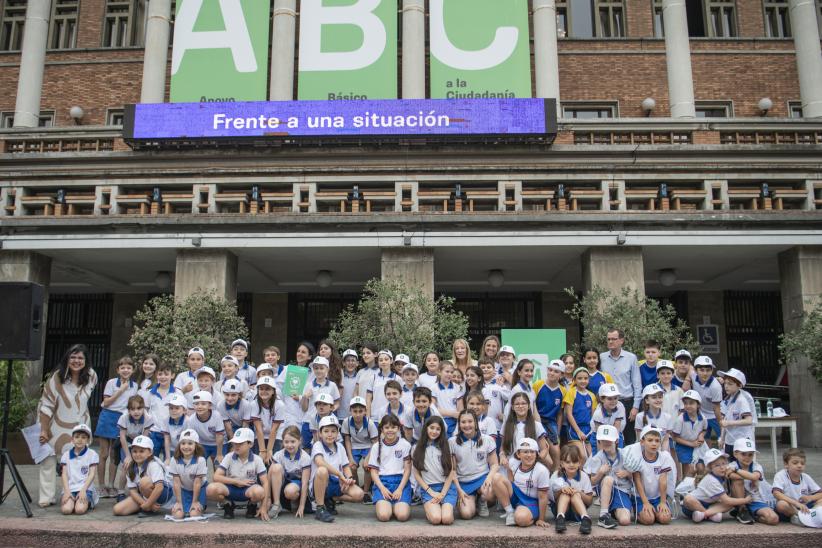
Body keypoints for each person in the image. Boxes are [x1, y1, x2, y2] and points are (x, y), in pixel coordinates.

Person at [38, 344, 98, 508]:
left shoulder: (92, 375)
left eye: (80, 358)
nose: (76, 361)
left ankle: (78, 492)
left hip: (80, 425)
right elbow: (46, 405)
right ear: (67, 359)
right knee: (49, 460)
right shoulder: (56, 377)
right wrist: (44, 429)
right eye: (73, 357)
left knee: (80, 461)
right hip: (56, 423)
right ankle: (46, 496)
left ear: (86, 361)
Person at [96, 356, 137, 498]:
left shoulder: (135, 386)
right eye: (122, 368)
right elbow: (106, 402)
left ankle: (111, 485)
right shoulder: (112, 383)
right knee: (103, 454)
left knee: (114, 455)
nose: (125, 370)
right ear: (118, 370)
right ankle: (101, 486)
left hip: (121, 419)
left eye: (128, 368)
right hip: (107, 416)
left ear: (133, 370)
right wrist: (121, 390)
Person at [206, 427, 270, 520]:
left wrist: (263, 507)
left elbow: (265, 482)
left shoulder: (257, 459)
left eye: (240, 443)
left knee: (259, 492)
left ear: (250, 444)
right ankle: (227, 504)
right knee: (210, 489)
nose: (236, 446)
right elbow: (216, 477)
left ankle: (252, 505)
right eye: (235, 443)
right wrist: (236, 481)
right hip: (230, 488)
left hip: (248, 489)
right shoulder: (229, 456)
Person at [311, 415, 365, 523]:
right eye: (326, 431)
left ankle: (331, 499)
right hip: (320, 483)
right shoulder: (317, 445)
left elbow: (345, 466)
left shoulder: (340, 447)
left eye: (333, 431)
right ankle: (320, 508)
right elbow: (320, 462)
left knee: (359, 494)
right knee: (322, 470)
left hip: (336, 482)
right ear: (320, 434)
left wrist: (349, 478)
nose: (330, 434)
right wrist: (340, 475)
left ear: (337, 433)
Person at [449, 409, 498, 519]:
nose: (467, 425)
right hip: (464, 482)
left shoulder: (488, 440)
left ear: (476, 422)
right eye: (463, 422)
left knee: (490, 492)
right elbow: (452, 470)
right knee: (466, 514)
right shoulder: (452, 442)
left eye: (470, 421)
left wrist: (489, 478)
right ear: (459, 424)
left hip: (482, 478)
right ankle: (472, 500)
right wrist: (458, 489)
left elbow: (495, 464)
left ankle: (482, 500)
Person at [492, 437, 550, 528]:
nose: (529, 455)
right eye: (525, 452)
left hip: (531, 501)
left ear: (536, 454)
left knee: (521, 519)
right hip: (517, 495)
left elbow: (543, 496)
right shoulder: (513, 462)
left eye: (532, 452)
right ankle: (510, 512)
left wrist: (541, 519)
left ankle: (525, 515)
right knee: (496, 477)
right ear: (518, 454)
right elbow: (511, 482)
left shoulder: (542, 470)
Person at [682, 448, 751, 523]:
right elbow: (727, 500)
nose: (722, 467)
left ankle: (703, 515)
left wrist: (749, 477)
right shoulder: (712, 480)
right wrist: (745, 500)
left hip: (710, 505)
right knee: (688, 498)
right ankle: (709, 515)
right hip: (691, 507)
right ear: (710, 468)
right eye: (717, 465)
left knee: (731, 503)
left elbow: (738, 477)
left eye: (724, 463)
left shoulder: (722, 473)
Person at [583, 425, 632, 529]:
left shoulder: (625, 454)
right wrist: (600, 473)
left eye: (609, 440)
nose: (606, 443)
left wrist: (627, 473)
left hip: (622, 490)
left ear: (616, 441)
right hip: (604, 489)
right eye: (603, 440)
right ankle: (603, 515)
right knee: (608, 479)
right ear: (599, 441)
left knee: (625, 520)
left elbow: (636, 475)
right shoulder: (597, 458)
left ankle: (613, 511)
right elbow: (591, 482)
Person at [112, 435, 174, 517]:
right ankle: (148, 507)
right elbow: (133, 491)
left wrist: (147, 504)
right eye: (135, 451)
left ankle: (148, 508)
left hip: (164, 494)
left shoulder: (153, 464)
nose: (137, 454)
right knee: (117, 509)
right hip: (144, 495)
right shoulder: (130, 466)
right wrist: (145, 504)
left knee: (144, 482)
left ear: (150, 452)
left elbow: (159, 487)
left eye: (141, 451)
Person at [368, 415, 413, 522]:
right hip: (383, 482)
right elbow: (373, 472)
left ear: (398, 428)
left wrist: (400, 489)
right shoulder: (376, 447)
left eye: (393, 427)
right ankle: (386, 505)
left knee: (402, 516)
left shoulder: (405, 445)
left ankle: (396, 506)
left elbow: (407, 470)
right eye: (387, 427)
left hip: (400, 482)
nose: (390, 430)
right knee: (384, 516)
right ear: (382, 429)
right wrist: (382, 488)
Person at [599, 330, 641, 445]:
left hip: (627, 402)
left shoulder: (631, 358)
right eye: (608, 339)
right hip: (607, 404)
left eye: (614, 339)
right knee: (609, 439)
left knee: (629, 439)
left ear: (621, 340)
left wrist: (635, 407)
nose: (610, 341)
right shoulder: (601, 357)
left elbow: (637, 384)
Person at [413, 415, 457, 525]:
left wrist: (442, 494)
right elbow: (417, 474)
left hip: (446, 488)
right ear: (426, 428)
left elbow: (452, 471)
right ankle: (432, 508)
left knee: (446, 519)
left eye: (438, 429)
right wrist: (431, 492)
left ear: (442, 431)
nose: (434, 431)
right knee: (436, 519)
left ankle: (446, 507)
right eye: (432, 428)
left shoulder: (447, 445)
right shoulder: (416, 448)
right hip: (429, 488)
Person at [729, 438, 778, 525]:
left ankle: (753, 515)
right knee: (737, 480)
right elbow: (730, 475)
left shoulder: (756, 466)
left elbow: (755, 476)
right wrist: (749, 477)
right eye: (743, 454)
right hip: (741, 499)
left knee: (773, 519)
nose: (747, 457)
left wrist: (736, 470)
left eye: (750, 454)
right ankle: (742, 510)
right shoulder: (732, 465)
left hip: (758, 500)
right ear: (735, 454)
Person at [633, 425, 675, 526]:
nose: (654, 444)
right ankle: (637, 510)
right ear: (642, 442)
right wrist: (646, 503)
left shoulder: (664, 457)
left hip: (657, 497)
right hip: (641, 497)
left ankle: (656, 512)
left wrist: (663, 502)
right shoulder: (636, 457)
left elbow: (663, 480)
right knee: (649, 520)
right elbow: (637, 481)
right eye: (650, 440)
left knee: (665, 519)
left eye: (657, 441)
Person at [115, 394, 154, 500]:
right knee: (126, 466)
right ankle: (121, 492)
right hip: (127, 442)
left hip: (141, 442)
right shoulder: (124, 417)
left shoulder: (148, 418)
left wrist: (139, 453)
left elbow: (145, 437)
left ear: (144, 408)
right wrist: (128, 455)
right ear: (128, 410)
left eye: (139, 408)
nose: (136, 411)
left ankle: (141, 489)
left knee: (143, 465)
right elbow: (122, 436)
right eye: (132, 409)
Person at [268, 425, 311, 519]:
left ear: (299, 441)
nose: (289, 445)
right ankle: (276, 504)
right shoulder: (279, 455)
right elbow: (269, 476)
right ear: (282, 442)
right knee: (275, 468)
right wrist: (267, 498)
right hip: (281, 482)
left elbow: (305, 483)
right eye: (286, 442)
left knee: (290, 491)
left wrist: (302, 506)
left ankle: (295, 501)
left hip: (296, 485)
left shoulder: (305, 457)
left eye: (293, 441)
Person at [550, 444, 594, 535]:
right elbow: (551, 499)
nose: (571, 464)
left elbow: (589, 501)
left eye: (575, 461)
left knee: (575, 494)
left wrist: (579, 492)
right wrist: (561, 490)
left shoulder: (583, 476)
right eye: (568, 462)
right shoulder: (556, 475)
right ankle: (560, 517)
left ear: (579, 463)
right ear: (562, 463)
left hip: (577, 511)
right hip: (560, 509)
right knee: (565, 493)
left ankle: (585, 518)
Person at [500, 392, 551, 469]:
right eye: (517, 404)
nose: (520, 406)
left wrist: (534, 461)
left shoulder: (536, 425)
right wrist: (502, 456)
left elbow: (544, 449)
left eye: (523, 403)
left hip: (531, 466)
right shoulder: (506, 425)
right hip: (510, 465)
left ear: (529, 406)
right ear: (512, 407)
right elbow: (503, 447)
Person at [342, 396, 379, 501]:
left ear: (365, 411)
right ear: (350, 411)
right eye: (355, 411)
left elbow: (375, 442)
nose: (357, 414)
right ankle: (356, 488)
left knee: (367, 466)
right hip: (354, 446)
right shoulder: (346, 422)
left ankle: (366, 492)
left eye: (360, 411)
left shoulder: (370, 423)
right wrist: (350, 458)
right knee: (352, 466)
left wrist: (368, 458)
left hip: (368, 446)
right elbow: (347, 440)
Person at [773, 448, 822, 523]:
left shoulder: (806, 477)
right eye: (795, 463)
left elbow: (820, 493)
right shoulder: (781, 475)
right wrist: (796, 503)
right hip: (791, 508)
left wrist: (810, 498)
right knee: (781, 504)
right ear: (786, 464)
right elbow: (776, 493)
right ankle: (798, 517)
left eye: (802, 463)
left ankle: (811, 516)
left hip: (805, 507)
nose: (799, 466)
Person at [59, 424, 99, 515]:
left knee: (79, 510)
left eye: (83, 437)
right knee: (66, 510)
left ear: (88, 440)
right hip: (70, 488)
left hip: (85, 488)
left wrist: (83, 491)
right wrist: (67, 491)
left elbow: (92, 474)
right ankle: (72, 500)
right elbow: (64, 474)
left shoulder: (92, 454)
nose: (80, 440)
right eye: (76, 437)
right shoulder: (66, 455)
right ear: (72, 439)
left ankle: (86, 501)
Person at [169, 429, 208, 520]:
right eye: (183, 443)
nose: (186, 446)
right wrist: (178, 502)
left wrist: (195, 502)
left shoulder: (200, 460)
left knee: (194, 514)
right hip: (184, 490)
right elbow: (176, 483)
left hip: (199, 489)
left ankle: (202, 505)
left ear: (196, 445)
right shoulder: (174, 460)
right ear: (179, 445)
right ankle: (184, 506)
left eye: (190, 443)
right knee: (177, 515)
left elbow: (197, 483)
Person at [141, 363, 177, 457]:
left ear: (172, 375)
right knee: (151, 460)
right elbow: (145, 410)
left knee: (169, 462)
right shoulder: (150, 393)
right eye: (160, 374)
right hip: (153, 432)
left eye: (166, 374)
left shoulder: (177, 393)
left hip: (170, 432)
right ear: (156, 375)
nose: (163, 377)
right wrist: (146, 429)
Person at [534, 360, 564, 468]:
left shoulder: (563, 391)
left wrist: (558, 432)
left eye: (556, 371)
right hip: (537, 421)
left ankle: (556, 476)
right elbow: (533, 407)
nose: (552, 373)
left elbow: (560, 413)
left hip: (551, 423)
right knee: (543, 454)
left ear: (561, 375)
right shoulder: (538, 385)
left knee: (556, 450)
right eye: (550, 370)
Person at [183, 391, 225, 468]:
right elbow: (192, 438)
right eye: (196, 404)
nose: (199, 406)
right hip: (203, 444)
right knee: (198, 465)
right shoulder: (192, 419)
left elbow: (219, 436)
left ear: (209, 405)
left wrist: (219, 454)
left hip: (218, 444)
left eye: (203, 404)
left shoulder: (216, 416)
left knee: (219, 466)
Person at [672, 390, 708, 481]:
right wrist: (691, 444)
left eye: (691, 403)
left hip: (698, 446)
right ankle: (685, 492)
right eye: (686, 403)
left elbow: (704, 429)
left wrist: (701, 435)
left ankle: (698, 489)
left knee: (701, 468)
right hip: (683, 447)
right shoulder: (680, 420)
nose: (688, 406)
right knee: (689, 470)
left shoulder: (703, 418)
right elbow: (675, 437)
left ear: (698, 405)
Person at [717, 368, 754, 458]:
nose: (726, 386)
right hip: (730, 440)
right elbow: (724, 420)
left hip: (741, 441)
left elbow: (749, 420)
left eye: (730, 384)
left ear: (739, 385)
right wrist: (722, 438)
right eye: (725, 383)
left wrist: (729, 423)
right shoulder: (728, 399)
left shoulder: (741, 400)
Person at [563, 367, 597, 461]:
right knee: (583, 456)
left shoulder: (591, 395)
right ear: (574, 380)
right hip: (574, 430)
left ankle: (591, 476)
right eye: (580, 378)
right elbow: (569, 414)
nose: (583, 381)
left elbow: (593, 416)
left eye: (585, 378)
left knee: (593, 457)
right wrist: (578, 431)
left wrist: (591, 431)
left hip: (588, 430)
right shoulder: (571, 392)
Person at [691, 355, 723, 447]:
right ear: (696, 370)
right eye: (701, 370)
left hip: (716, 415)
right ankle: (707, 458)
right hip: (702, 414)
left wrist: (721, 424)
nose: (705, 373)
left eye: (708, 370)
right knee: (705, 439)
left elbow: (716, 408)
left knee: (722, 437)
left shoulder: (715, 386)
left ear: (712, 371)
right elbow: (689, 368)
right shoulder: (693, 377)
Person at [251, 377, 284, 460]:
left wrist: (269, 450)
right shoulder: (254, 404)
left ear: (273, 391)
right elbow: (258, 429)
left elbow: (274, 430)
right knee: (258, 459)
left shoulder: (279, 405)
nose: (264, 391)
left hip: (276, 435)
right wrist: (262, 451)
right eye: (261, 389)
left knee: (272, 460)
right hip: (260, 434)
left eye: (268, 389)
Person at [431, 361, 464, 437]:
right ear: (439, 372)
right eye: (447, 371)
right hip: (441, 421)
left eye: (451, 372)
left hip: (455, 422)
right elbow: (434, 409)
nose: (450, 374)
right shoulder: (434, 388)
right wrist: (452, 413)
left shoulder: (457, 388)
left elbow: (460, 409)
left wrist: (457, 416)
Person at [635, 384, 673, 449]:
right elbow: (639, 440)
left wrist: (663, 455)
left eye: (660, 397)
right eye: (654, 397)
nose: (658, 400)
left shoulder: (668, 417)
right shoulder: (639, 417)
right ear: (647, 400)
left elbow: (666, 440)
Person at [590, 383, 625, 449]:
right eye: (609, 399)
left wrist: (615, 442)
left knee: (619, 454)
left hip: (614, 432)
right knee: (599, 457)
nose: (613, 401)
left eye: (615, 398)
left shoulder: (620, 406)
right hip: (598, 436)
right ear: (602, 399)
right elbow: (599, 435)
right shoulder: (598, 414)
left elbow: (617, 427)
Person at [217, 378, 252, 443]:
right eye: (227, 395)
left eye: (233, 395)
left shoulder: (246, 404)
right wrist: (233, 443)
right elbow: (228, 428)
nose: (230, 398)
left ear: (239, 395)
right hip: (232, 428)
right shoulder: (220, 405)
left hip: (247, 428)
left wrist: (240, 442)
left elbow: (245, 426)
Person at [366, 350, 398, 421]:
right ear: (378, 362)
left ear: (391, 361)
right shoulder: (373, 378)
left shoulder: (398, 379)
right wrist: (368, 417)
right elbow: (368, 399)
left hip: (392, 418)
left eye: (386, 359)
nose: (383, 362)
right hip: (374, 418)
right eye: (381, 360)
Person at [161, 393, 188, 463]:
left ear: (184, 410)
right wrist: (168, 458)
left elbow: (189, 441)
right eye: (171, 408)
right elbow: (166, 440)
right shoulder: (165, 420)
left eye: (177, 408)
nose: (173, 410)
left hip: (186, 451)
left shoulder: (188, 421)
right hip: (171, 450)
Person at [339, 349, 360, 419]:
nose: (350, 363)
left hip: (356, 416)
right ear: (343, 363)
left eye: (353, 360)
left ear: (357, 363)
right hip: (340, 416)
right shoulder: (339, 377)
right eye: (348, 360)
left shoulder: (360, 377)